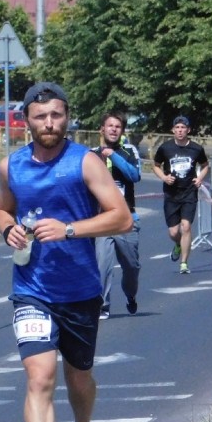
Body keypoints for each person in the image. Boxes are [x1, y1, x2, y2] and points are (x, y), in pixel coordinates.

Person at [0, 82, 132, 422]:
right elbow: (2, 208)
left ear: (67, 116)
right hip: (31, 289)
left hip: (80, 290)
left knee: (78, 377)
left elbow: (122, 218)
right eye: (40, 117)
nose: (49, 123)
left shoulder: (85, 162)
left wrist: (70, 229)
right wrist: (7, 229)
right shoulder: (11, 166)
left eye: (56, 115)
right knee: (39, 377)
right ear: (26, 121)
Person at [92, 112, 142, 319]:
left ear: (122, 131)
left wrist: (112, 155)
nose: (113, 129)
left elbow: (134, 175)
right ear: (102, 129)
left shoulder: (129, 151)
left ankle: (130, 295)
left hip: (127, 219)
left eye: (118, 126)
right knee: (102, 264)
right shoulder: (91, 155)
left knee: (131, 267)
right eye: (109, 126)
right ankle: (102, 305)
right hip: (102, 220)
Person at [152, 115, 209, 274]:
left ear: (188, 130)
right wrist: (164, 177)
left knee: (186, 226)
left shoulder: (196, 148)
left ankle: (184, 263)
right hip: (171, 194)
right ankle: (178, 244)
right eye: (177, 128)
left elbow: (205, 166)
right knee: (173, 232)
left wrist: (200, 178)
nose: (180, 130)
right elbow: (156, 165)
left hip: (189, 192)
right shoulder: (165, 148)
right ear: (173, 130)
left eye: (183, 128)